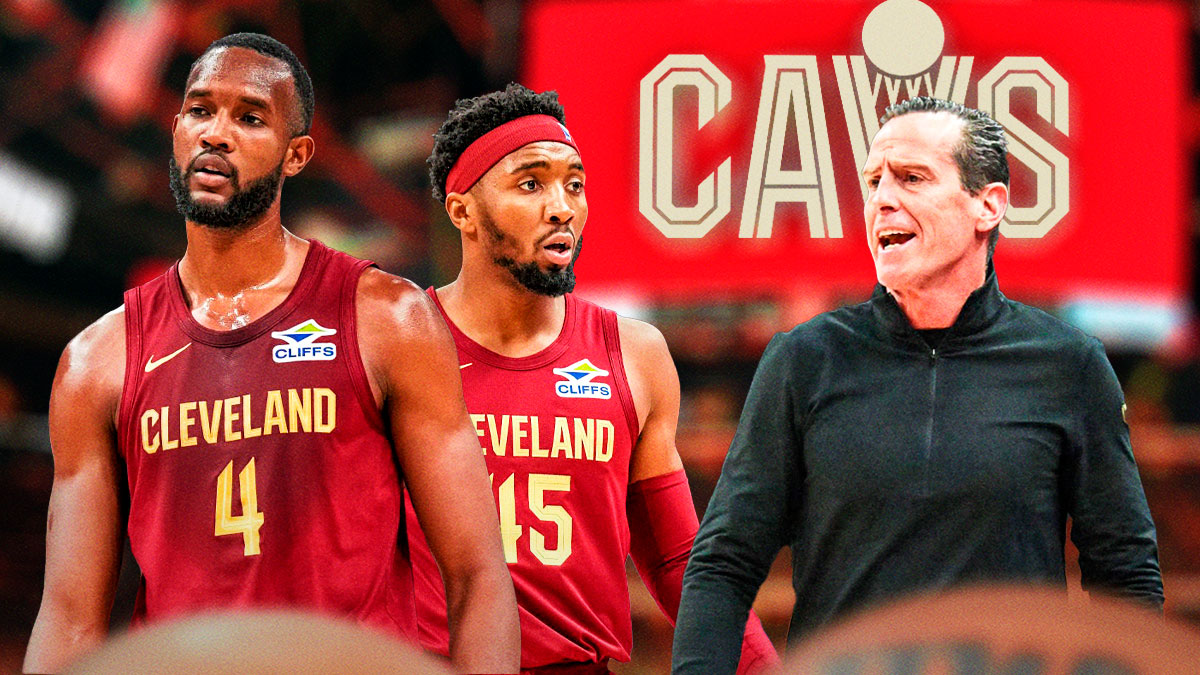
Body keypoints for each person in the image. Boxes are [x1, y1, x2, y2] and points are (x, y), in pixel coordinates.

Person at [24, 33, 519, 674]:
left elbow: (478, 574)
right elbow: (69, 616)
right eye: (200, 111)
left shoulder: (386, 319)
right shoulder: (97, 361)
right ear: (175, 129)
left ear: (296, 155)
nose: (217, 134)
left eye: (250, 117)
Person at [672, 97, 1163, 673]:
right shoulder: (804, 360)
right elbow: (724, 564)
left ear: (988, 205)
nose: (882, 199)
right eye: (874, 181)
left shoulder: (1068, 365)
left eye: (911, 178)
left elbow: (1124, 574)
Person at [405, 84, 777, 673]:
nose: (562, 207)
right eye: (531, 184)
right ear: (462, 211)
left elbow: (677, 559)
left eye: (574, 184)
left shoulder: (633, 353)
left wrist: (760, 667)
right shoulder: (398, 343)